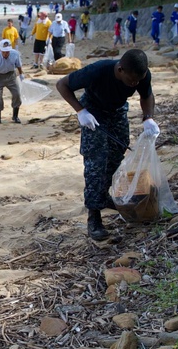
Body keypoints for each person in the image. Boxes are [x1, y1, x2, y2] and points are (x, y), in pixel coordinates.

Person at [56, 50, 157, 241]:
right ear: (120, 69)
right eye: (132, 81)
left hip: (117, 111)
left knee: (117, 154)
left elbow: (147, 95)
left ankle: (103, 194)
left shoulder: (141, 74)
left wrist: (148, 118)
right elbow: (62, 85)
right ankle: (94, 216)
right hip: (93, 111)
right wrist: (81, 111)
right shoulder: (97, 71)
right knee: (96, 162)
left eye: (138, 80)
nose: (135, 84)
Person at [0, 39, 25, 125]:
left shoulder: (15, 54)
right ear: (0, 50)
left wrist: (21, 74)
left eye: (8, 51)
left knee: (17, 94)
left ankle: (15, 116)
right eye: (4, 52)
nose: (6, 54)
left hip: (11, 75)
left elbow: (18, 65)